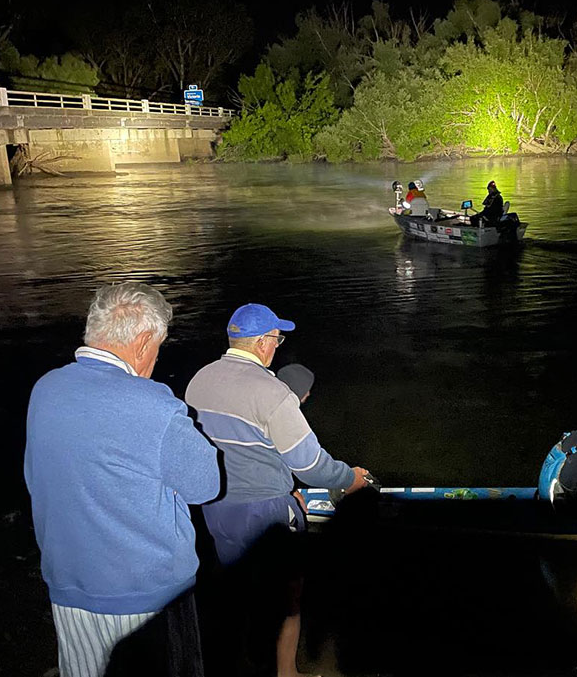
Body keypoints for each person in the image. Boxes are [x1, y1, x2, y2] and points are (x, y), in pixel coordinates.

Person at [24, 282, 220, 677]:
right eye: (159, 347)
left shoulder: (46, 389)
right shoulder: (155, 405)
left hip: (68, 587)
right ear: (145, 340)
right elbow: (207, 485)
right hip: (146, 599)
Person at [185, 303, 371, 677]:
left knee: (239, 587)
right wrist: (349, 479)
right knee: (288, 596)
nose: (278, 345)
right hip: (264, 507)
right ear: (264, 342)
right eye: (277, 338)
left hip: (216, 506)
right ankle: (286, 672)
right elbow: (309, 465)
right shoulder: (273, 393)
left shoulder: (198, 381)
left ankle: (242, 662)